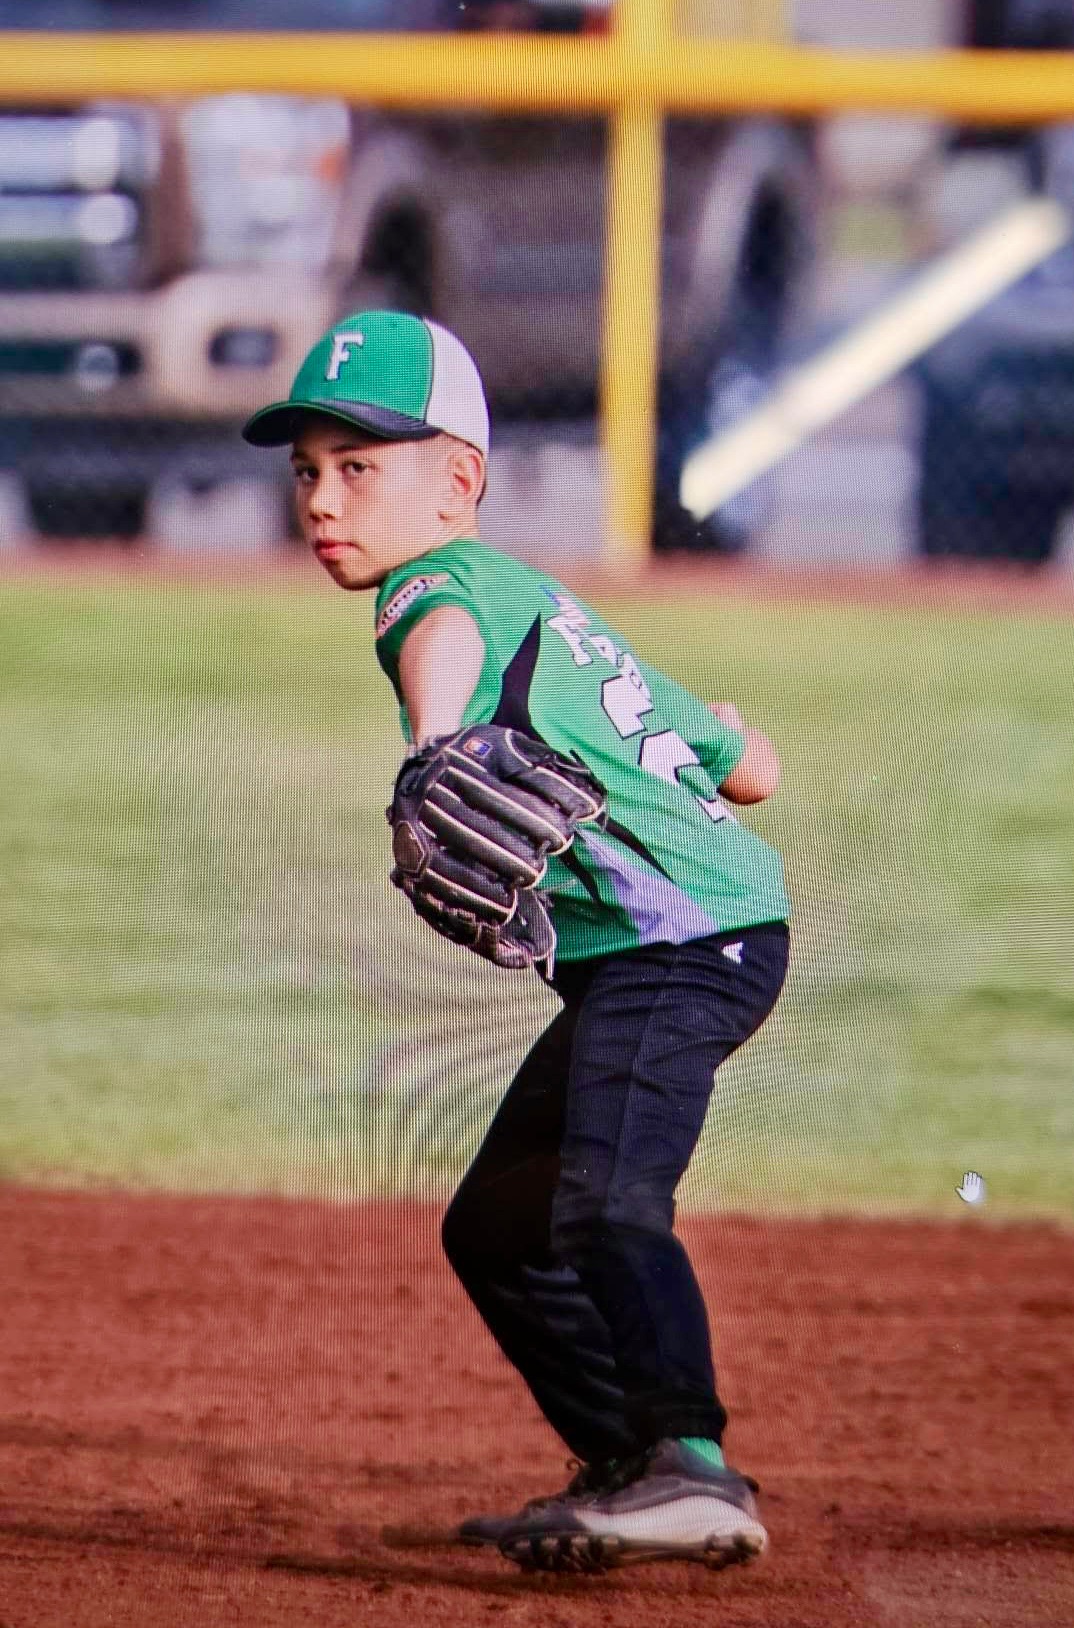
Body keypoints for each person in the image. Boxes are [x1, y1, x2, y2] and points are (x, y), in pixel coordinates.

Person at [242, 309, 791, 1573]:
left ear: (459, 482)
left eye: (359, 466)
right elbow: (753, 767)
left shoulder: (432, 588)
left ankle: (690, 1461)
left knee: (605, 1199)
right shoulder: (552, 608)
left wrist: (434, 745)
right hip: (705, 934)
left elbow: (436, 642)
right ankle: (624, 1463)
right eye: (309, 470)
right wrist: (716, 728)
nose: (322, 499)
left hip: (678, 944)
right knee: (496, 1225)